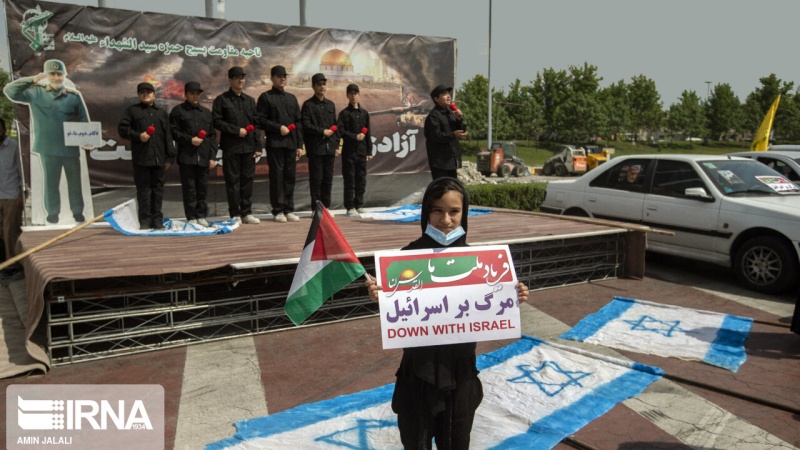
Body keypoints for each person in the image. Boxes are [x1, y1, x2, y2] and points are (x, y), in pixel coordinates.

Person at [365, 177, 529, 449]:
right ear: (426, 212)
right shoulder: (406, 259)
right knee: (415, 442)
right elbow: (398, 306)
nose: (445, 220)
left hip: (460, 375)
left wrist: (511, 297)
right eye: (437, 210)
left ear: (464, 213)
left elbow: (489, 306)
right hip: (418, 373)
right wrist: (380, 295)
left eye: (454, 211)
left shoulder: (479, 263)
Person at [3, 59, 91, 224]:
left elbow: (83, 120)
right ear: (47, 75)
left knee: (75, 182)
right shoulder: (36, 93)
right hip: (47, 147)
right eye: (52, 74)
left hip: (70, 147)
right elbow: (10, 91)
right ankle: (52, 213)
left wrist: (87, 140)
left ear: (64, 75)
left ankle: (78, 212)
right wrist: (34, 79)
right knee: (51, 182)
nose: (56, 77)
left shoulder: (73, 96)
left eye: (59, 74)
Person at [118, 82, 176, 230]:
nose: (145, 94)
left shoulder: (161, 113)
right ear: (138, 95)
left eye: (148, 92)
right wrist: (138, 136)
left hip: (159, 159)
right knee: (144, 191)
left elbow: (168, 136)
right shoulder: (132, 111)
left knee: (158, 190)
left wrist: (170, 157)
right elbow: (123, 129)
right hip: (142, 159)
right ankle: (144, 220)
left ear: (154, 95)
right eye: (142, 92)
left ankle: (157, 220)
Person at [212, 66, 262, 225]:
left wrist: (258, 146)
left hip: (248, 147)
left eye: (242, 78)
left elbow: (256, 124)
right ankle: (235, 214)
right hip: (231, 147)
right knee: (233, 181)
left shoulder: (250, 100)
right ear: (230, 80)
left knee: (247, 180)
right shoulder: (222, 100)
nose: (240, 80)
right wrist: (235, 130)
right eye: (237, 78)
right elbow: (217, 121)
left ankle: (247, 212)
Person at [256, 65, 303, 223]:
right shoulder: (265, 97)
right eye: (279, 76)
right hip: (275, 143)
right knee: (277, 177)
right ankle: (278, 210)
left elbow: (298, 122)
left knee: (290, 176)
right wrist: (278, 128)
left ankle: (289, 209)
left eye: (284, 76)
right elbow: (260, 120)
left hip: (290, 144)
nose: (282, 79)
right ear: (272, 78)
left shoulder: (291, 98)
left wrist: (299, 144)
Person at [170, 81, 218, 227]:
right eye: (192, 93)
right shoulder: (178, 111)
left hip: (203, 156)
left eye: (198, 93)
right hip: (187, 156)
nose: (195, 96)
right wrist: (190, 140)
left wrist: (212, 156)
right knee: (189, 188)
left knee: (202, 188)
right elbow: (173, 131)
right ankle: (191, 217)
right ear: (186, 94)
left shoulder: (206, 113)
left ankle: (201, 215)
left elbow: (212, 136)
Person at [301, 73, 339, 209]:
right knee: (316, 179)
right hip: (316, 148)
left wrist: (336, 145)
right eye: (319, 84)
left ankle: (326, 208)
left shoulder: (330, 105)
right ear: (313, 86)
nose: (322, 87)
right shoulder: (308, 105)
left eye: (324, 84)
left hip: (329, 148)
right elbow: (306, 125)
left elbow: (335, 125)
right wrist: (322, 131)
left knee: (328, 179)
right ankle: (316, 208)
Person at [337, 83, 372, 216]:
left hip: (361, 151)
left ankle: (359, 204)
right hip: (349, 152)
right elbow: (341, 131)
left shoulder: (364, 113)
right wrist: (354, 136)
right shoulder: (344, 114)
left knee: (361, 179)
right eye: (351, 93)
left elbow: (368, 132)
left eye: (355, 93)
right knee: (349, 179)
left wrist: (369, 151)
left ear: (358, 94)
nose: (353, 96)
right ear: (347, 95)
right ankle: (350, 206)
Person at [424, 85, 467, 180]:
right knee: (442, 187)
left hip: (451, 159)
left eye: (448, 94)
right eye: (444, 94)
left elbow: (462, 130)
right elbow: (436, 136)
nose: (448, 96)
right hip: (440, 162)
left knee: (452, 186)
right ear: (436, 99)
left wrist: (459, 119)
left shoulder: (450, 113)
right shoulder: (433, 116)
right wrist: (453, 134)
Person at [0, 120, 23, 266]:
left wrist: (21, 194)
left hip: (12, 196)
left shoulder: (14, 146)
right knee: (2, 232)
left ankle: (13, 264)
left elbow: (22, 172)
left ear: (4, 129)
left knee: (10, 231)